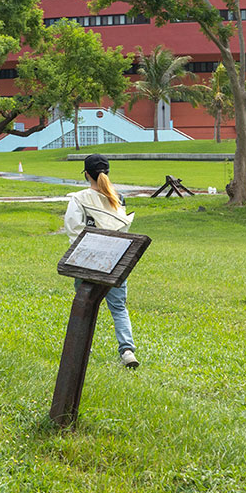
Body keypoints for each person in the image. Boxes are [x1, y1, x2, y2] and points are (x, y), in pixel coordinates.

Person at [63, 154, 139, 368]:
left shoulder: (79, 198)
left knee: (85, 304)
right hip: (115, 261)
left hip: (87, 261)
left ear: (87, 174)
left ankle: (81, 349)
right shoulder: (119, 197)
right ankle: (127, 351)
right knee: (119, 307)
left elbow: (73, 230)